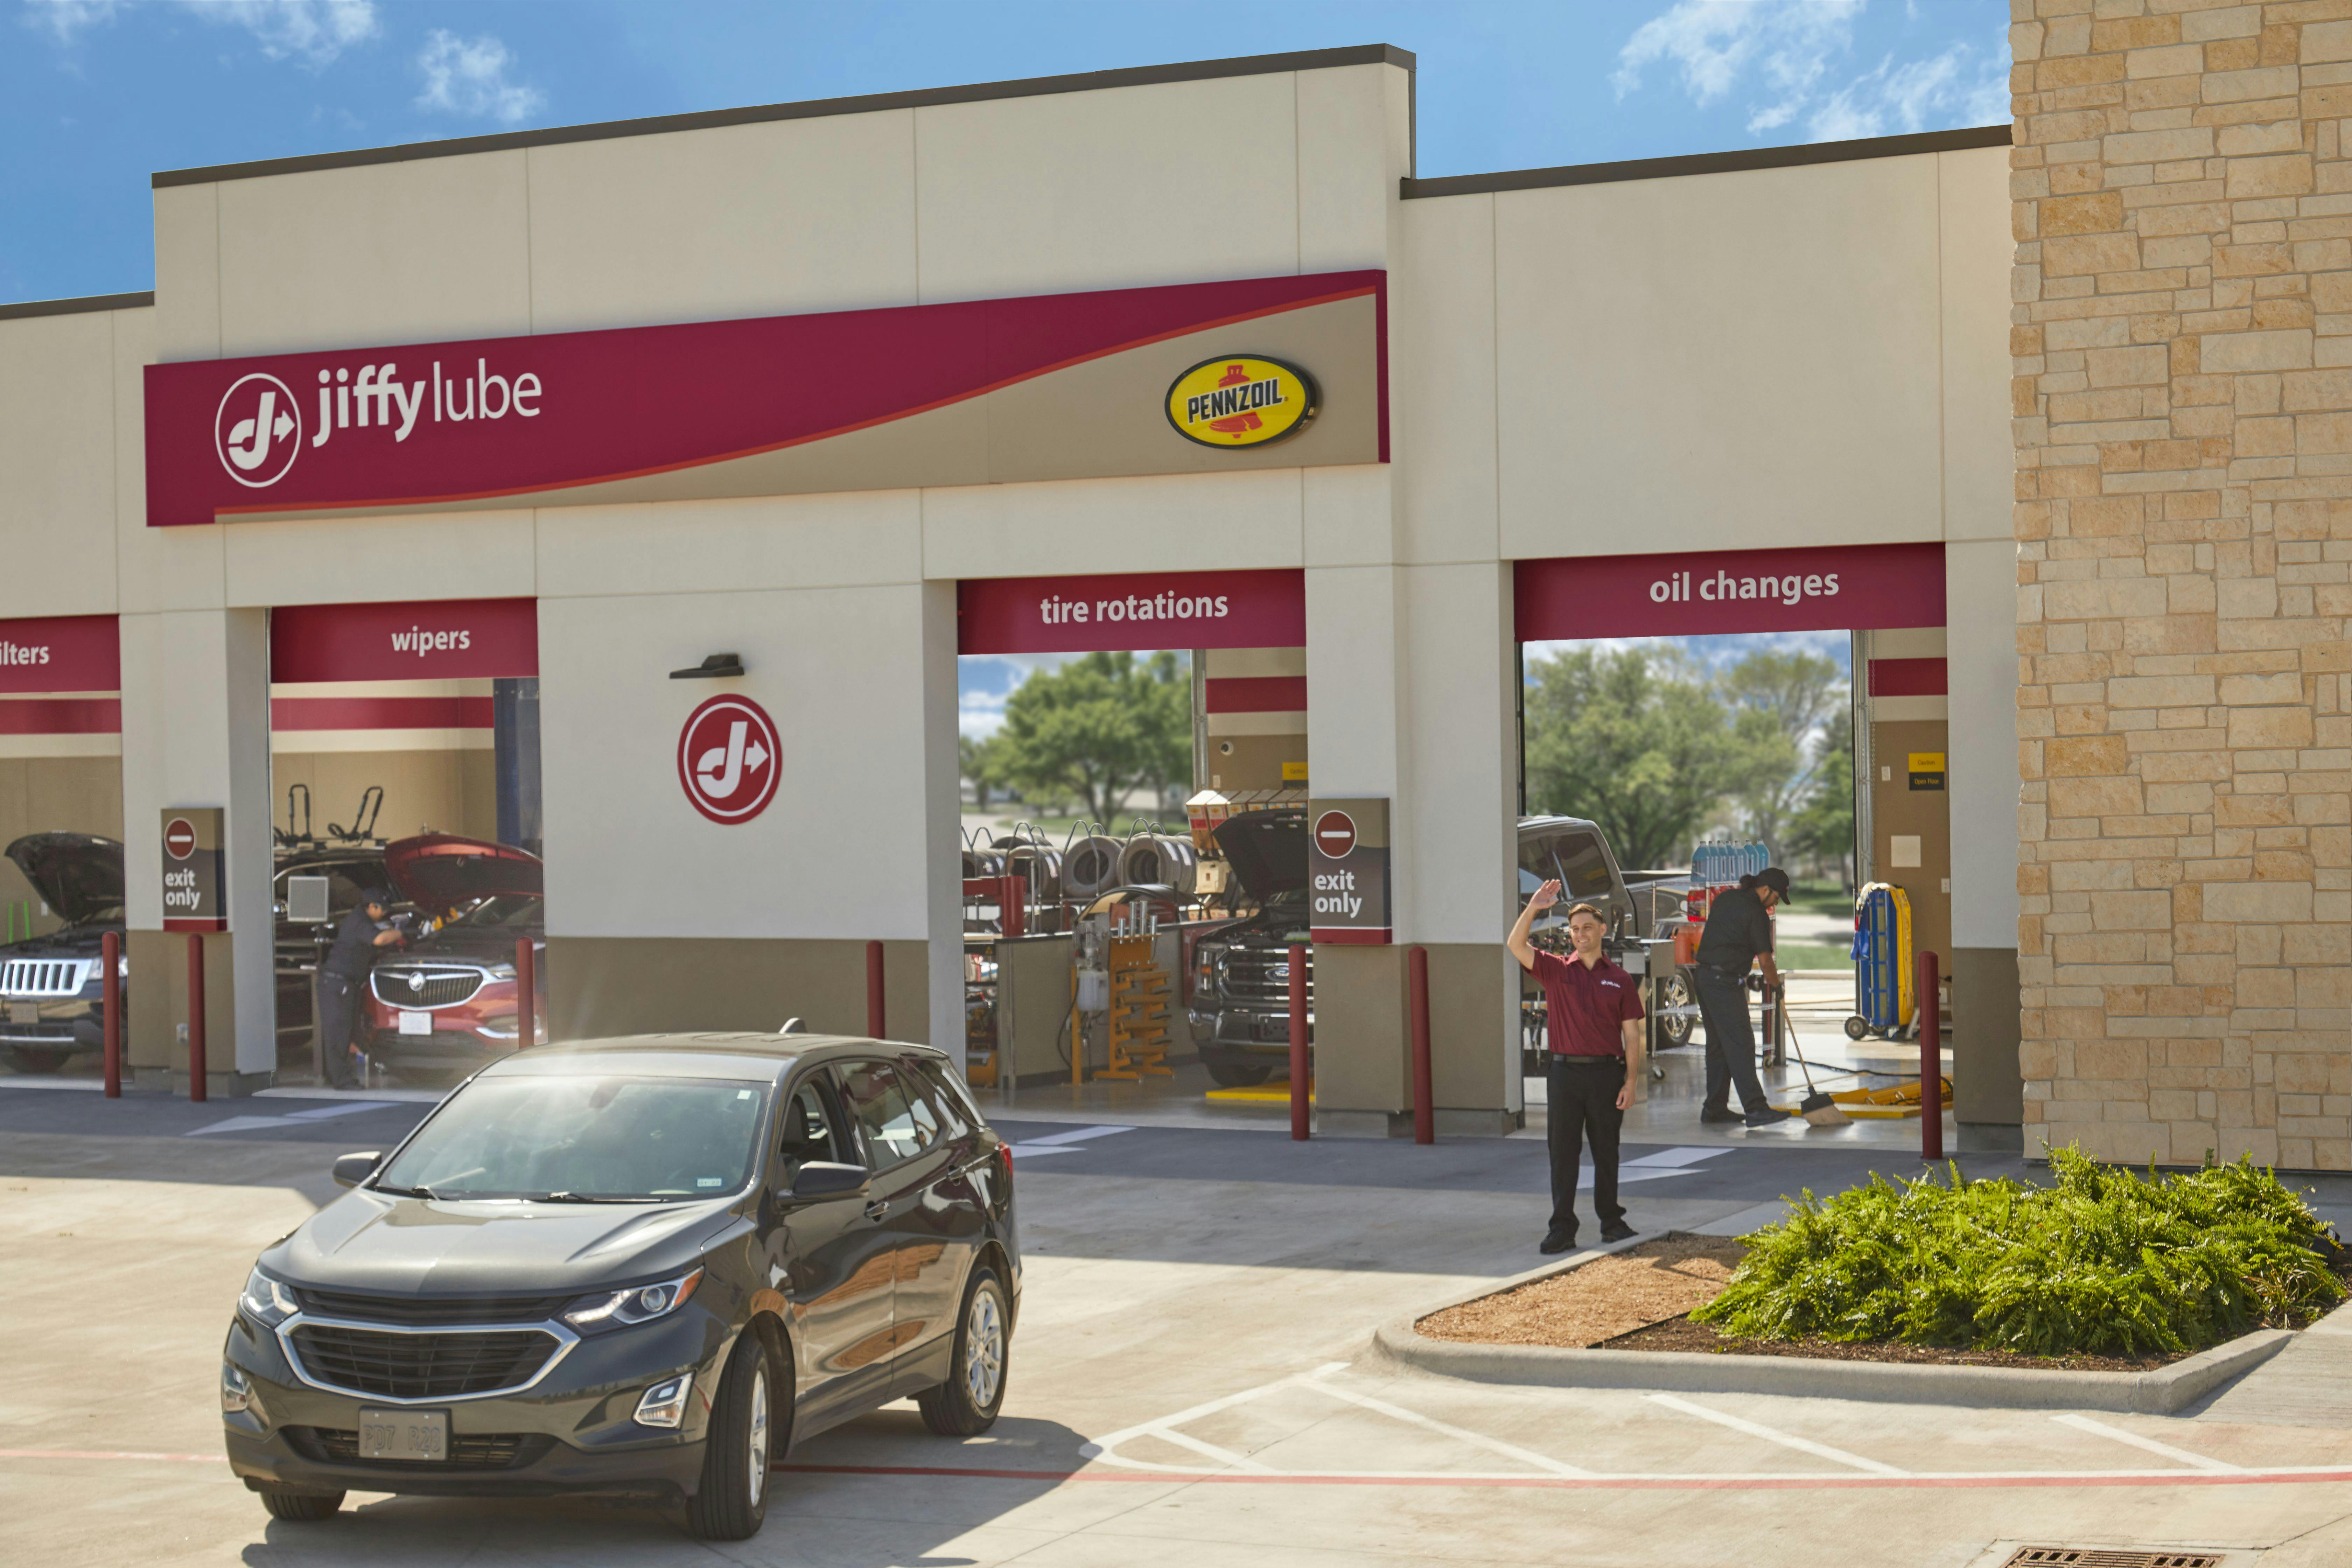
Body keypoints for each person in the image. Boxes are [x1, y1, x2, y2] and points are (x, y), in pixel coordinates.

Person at [1508, 881, 1645, 1255]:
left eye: (1587, 927)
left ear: (1602, 931)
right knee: (1563, 1152)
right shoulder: (1555, 970)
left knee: (1607, 1151)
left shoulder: (1619, 980)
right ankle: (1562, 1228)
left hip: (1606, 1074)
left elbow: (1631, 1036)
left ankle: (1612, 1222)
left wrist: (1631, 1082)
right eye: (1574, 928)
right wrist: (1535, 907)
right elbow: (1516, 945)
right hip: (1564, 1075)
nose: (1580, 933)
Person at [1692, 867, 1794, 1128]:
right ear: (1765, 890)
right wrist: (1776, 986)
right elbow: (1765, 960)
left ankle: (1714, 1108)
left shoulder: (1725, 899)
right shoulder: (1756, 914)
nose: (1775, 904)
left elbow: (1727, 941)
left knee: (1719, 1046)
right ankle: (1756, 1109)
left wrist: (1746, 976)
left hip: (1704, 977)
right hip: (1723, 984)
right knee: (1741, 1043)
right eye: (1775, 898)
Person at [316, 888, 404, 1089]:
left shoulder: (363, 922)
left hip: (346, 984)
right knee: (338, 1033)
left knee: (351, 1031)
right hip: (337, 984)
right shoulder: (358, 921)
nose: (384, 914)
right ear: (372, 907)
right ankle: (342, 1080)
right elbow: (379, 940)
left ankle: (339, 1075)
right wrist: (399, 932)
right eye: (382, 909)